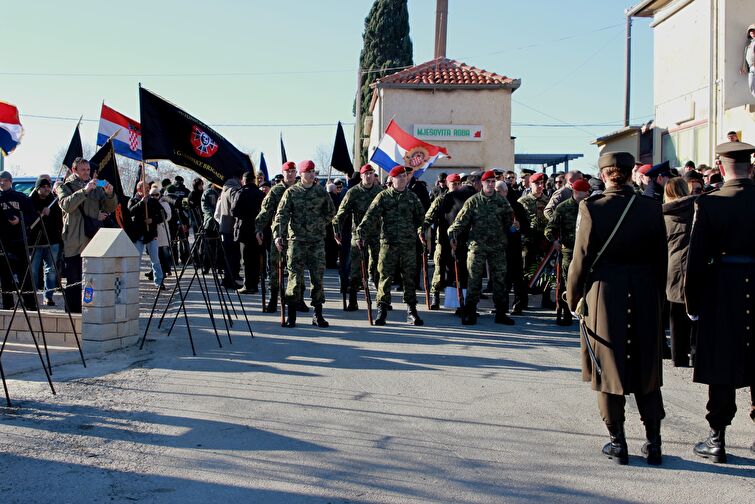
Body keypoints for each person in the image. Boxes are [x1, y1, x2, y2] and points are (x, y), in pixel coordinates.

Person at [566, 151, 667, 466]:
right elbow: (661, 259)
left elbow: (580, 259)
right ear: (629, 173)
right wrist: (657, 299)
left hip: (605, 295)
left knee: (608, 369)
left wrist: (572, 299)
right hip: (645, 292)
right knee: (646, 369)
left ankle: (618, 443)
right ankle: (654, 444)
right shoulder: (651, 208)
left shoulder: (592, 207)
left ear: (605, 174)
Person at [685, 141, 755, 463]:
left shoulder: (710, 203)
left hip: (722, 289)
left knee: (721, 363)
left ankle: (717, 439)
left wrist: (693, 302)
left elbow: (696, 258)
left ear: (721, 166)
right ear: (750, 168)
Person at [357, 165, 425, 326]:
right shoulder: (383, 197)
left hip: (408, 244)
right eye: (398, 177)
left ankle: (412, 310)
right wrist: (361, 233)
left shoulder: (412, 197)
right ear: (392, 179)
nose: (402, 179)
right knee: (385, 277)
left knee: (409, 278)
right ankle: (382, 310)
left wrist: (422, 232)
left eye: (404, 176)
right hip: (388, 244)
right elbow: (370, 216)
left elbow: (421, 218)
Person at [273, 160, 335, 328]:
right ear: (301, 174)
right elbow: (281, 215)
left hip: (316, 241)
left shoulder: (321, 192)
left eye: (313, 171)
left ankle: (318, 315)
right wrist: (278, 235)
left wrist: (319, 223)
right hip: (296, 242)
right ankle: (292, 316)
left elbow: (331, 212)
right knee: (294, 277)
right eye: (308, 171)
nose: (311, 174)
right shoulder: (292, 192)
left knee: (318, 278)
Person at [448, 170, 514, 325]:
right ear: (482, 183)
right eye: (487, 182)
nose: (490, 184)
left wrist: (507, 232)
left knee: (499, 280)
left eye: (492, 181)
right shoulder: (473, 201)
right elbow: (461, 221)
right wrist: (452, 233)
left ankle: (501, 313)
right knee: (474, 280)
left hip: (497, 246)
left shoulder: (502, 202)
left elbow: (508, 220)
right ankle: (470, 312)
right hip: (477, 246)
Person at [56, 158, 117, 313]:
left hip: (93, 240)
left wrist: (110, 194)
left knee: (92, 280)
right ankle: (73, 314)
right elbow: (66, 205)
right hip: (74, 242)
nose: (86, 173)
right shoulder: (65, 186)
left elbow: (110, 207)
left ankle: (90, 310)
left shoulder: (96, 187)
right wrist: (84, 191)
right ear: (74, 170)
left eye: (88, 170)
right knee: (74, 281)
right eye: (83, 170)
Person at [332, 164, 383, 311]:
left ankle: (382, 300)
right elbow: (340, 214)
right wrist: (337, 231)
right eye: (365, 174)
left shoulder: (380, 192)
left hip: (377, 235)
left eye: (371, 173)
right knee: (355, 268)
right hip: (358, 236)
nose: (368, 176)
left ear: (374, 175)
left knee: (379, 267)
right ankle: (353, 299)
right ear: (361, 176)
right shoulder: (353, 192)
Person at [423, 172, 476, 311]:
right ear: (447, 184)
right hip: (443, 240)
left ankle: (459, 301)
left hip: (461, 240)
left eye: (458, 184)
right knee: (440, 268)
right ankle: (435, 294)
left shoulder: (466, 199)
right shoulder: (442, 199)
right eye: (453, 184)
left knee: (460, 270)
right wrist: (423, 229)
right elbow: (429, 216)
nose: (456, 187)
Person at [544, 178, 591, 326]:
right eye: (585, 191)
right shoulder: (563, 208)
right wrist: (555, 241)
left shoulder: (590, 206)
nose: (588, 193)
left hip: (587, 252)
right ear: (577, 192)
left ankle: (586, 313)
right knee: (566, 283)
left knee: (586, 282)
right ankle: (566, 313)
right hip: (569, 252)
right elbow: (549, 229)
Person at [662, 177, 697, 368]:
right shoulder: (698, 209)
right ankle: (696, 353)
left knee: (676, 317)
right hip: (696, 266)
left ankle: (679, 356)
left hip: (673, 269)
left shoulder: (663, 216)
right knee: (697, 315)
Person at [255, 161, 298, 313]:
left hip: (297, 236)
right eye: (288, 171)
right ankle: (274, 298)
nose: (291, 174)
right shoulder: (275, 191)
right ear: (283, 173)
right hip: (279, 234)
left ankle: (295, 299)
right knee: (275, 267)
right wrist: (259, 228)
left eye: (293, 171)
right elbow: (265, 211)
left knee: (295, 268)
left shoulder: (300, 189)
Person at [0, 170, 38, 311]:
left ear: (10, 181)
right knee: (5, 277)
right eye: (0, 180)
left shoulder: (20, 198)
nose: (2, 183)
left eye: (5, 180)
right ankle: (7, 306)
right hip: (3, 243)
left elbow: (32, 216)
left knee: (24, 275)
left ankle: (30, 305)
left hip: (19, 240)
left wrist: (19, 220)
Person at [518, 172, 551, 309]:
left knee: (546, 269)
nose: (539, 186)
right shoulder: (523, 201)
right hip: (527, 241)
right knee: (524, 270)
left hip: (543, 240)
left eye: (541, 183)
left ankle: (546, 299)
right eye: (536, 183)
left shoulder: (548, 201)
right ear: (530, 184)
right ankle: (522, 300)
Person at [29, 177, 63, 306]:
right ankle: (32, 296)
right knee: (33, 270)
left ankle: (48, 296)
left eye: (48, 186)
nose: (47, 189)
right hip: (35, 241)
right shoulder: (30, 202)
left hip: (52, 240)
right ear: (38, 188)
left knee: (51, 270)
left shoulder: (53, 202)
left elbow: (59, 221)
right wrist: (39, 214)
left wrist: (51, 213)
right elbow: (28, 220)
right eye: (43, 187)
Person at [232, 171, 264, 294]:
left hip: (244, 229)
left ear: (243, 181)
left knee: (245, 259)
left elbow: (234, 210)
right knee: (255, 259)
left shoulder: (241, 193)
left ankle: (247, 285)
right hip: (257, 229)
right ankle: (254, 284)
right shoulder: (260, 193)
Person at [128, 182, 165, 289]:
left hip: (151, 234)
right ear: (139, 189)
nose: (148, 190)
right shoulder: (133, 200)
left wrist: (153, 220)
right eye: (145, 188)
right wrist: (140, 203)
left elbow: (163, 215)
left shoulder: (153, 201)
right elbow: (129, 212)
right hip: (138, 234)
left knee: (155, 259)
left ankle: (159, 281)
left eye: (149, 188)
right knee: (136, 259)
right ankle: (133, 282)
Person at [217, 171, 243, 289]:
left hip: (225, 227)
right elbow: (235, 208)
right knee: (233, 255)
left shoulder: (225, 190)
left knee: (228, 255)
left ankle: (227, 279)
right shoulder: (233, 190)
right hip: (231, 227)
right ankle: (230, 280)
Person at [741, 24, 755, 100]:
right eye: (751, 31)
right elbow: (745, 57)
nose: (752, 32)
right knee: (751, 86)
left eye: (753, 30)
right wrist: (744, 67)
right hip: (751, 68)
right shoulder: (748, 44)